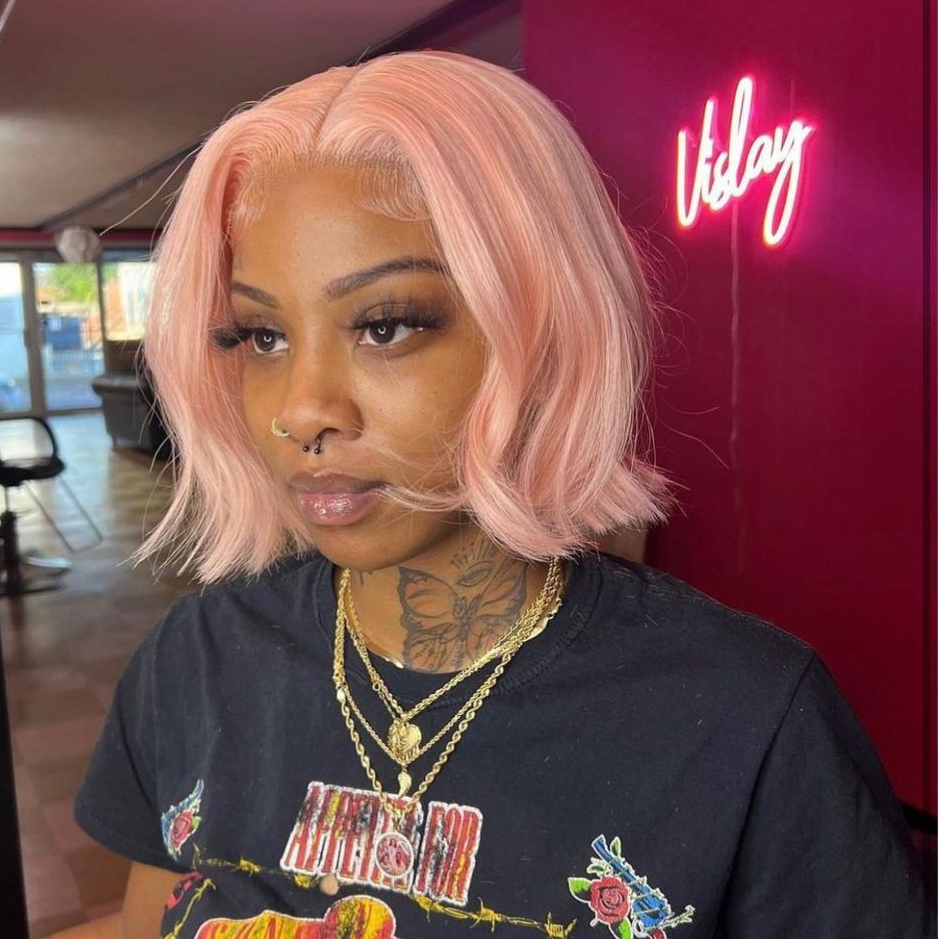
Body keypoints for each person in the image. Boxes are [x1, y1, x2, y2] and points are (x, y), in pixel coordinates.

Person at [54, 50, 933, 939]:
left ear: (543, 329)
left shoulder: (753, 720)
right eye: (261, 336)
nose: (302, 410)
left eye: (385, 325)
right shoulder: (194, 663)